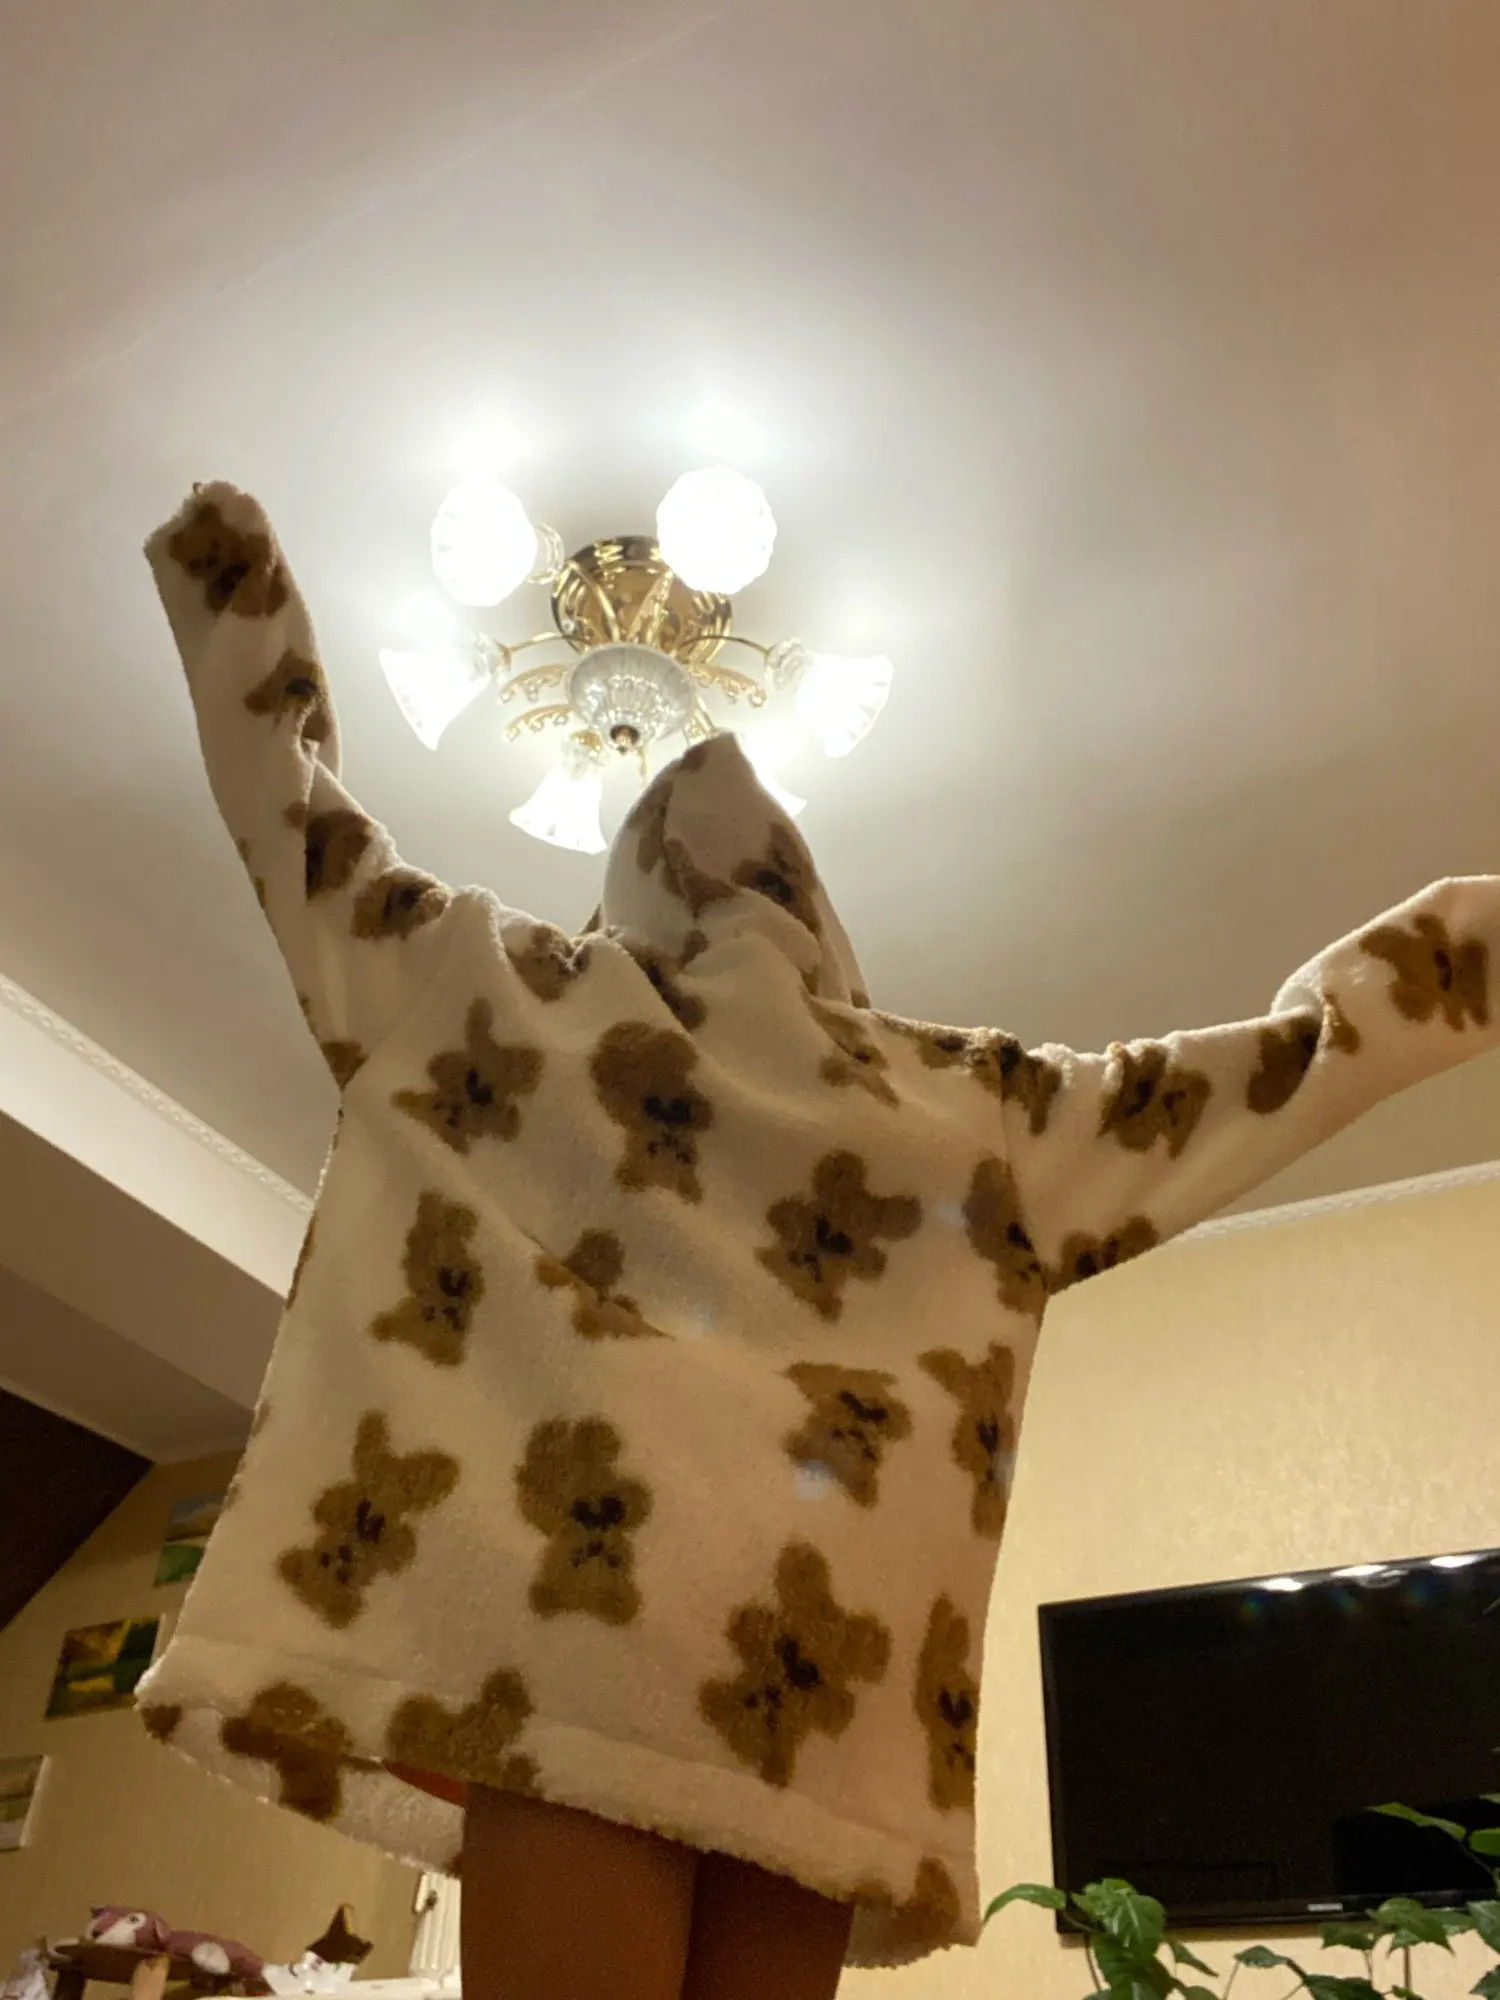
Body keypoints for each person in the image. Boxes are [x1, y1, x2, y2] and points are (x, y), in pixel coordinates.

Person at [137, 484, 1500, 2000]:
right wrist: (1456, 958)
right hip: (823, 1687)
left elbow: (298, 826)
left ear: (625, 911)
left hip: (570, 1638)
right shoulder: (972, 1109)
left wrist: (229, 592)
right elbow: (1266, 1074)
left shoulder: (498, 992)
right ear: (825, 933)